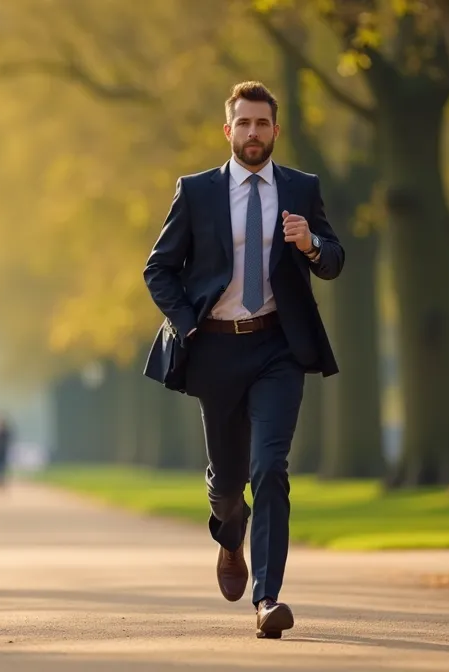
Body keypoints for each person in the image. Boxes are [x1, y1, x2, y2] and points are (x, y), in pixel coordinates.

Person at [141, 81, 344, 639]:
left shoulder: (302, 188)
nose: (253, 133)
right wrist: (188, 325)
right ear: (227, 130)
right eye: (244, 123)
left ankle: (268, 599)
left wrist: (311, 246)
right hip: (215, 347)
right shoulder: (198, 191)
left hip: (279, 346)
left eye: (263, 124)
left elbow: (334, 259)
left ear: (276, 131)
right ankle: (231, 536)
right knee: (230, 484)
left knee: (270, 467)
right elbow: (158, 269)